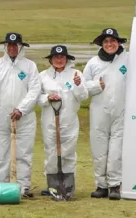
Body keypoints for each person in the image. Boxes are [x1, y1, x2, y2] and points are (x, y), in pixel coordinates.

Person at [0, 32, 41, 197]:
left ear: (21, 46)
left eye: (15, 45)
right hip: (0, 116)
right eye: (9, 45)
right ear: (5, 46)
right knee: (1, 153)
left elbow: (35, 90)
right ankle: (1, 186)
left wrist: (21, 109)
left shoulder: (30, 66)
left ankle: (23, 187)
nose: (12, 48)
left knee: (24, 153)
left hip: (25, 118)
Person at [83, 28, 130, 200]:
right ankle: (101, 185)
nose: (110, 44)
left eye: (113, 41)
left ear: (119, 43)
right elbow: (82, 87)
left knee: (116, 149)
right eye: (106, 42)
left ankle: (115, 184)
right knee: (99, 148)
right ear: (102, 44)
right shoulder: (93, 63)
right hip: (99, 111)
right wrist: (96, 86)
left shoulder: (128, 59)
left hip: (121, 110)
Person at [38, 45, 87, 200]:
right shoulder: (43, 76)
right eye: (56, 57)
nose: (59, 60)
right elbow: (37, 97)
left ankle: (68, 186)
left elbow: (83, 96)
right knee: (51, 151)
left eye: (62, 57)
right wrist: (47, 98)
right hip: (49, 120)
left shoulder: (76, 74)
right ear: (51, 59)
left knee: (68, 152)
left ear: (66, 59)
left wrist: (78, 85)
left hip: (69, 119)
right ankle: (52, 185)